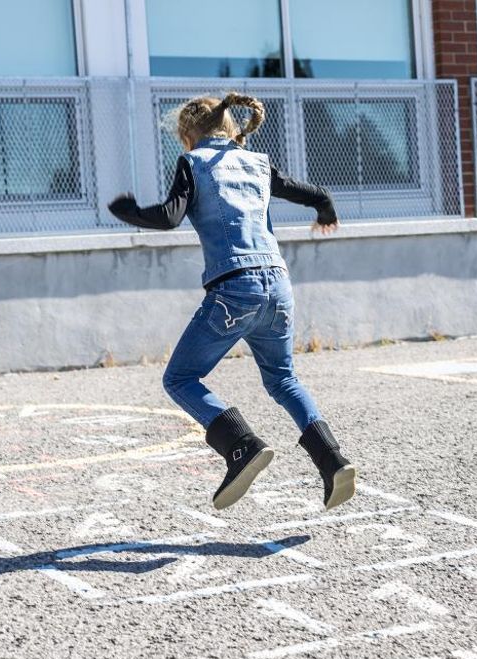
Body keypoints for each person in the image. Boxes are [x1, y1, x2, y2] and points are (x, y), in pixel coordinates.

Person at [107, 92, 356, 512]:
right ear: (230, 127)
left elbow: (169, 216)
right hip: (278, 287)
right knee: (283, 380)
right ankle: (332, 461)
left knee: (180, 379)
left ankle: (241, 445)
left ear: (189, 135)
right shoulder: (257, 162)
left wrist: (129, 211)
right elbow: (311, 192)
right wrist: (326, 210)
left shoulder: (194, 162)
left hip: (234, 289)